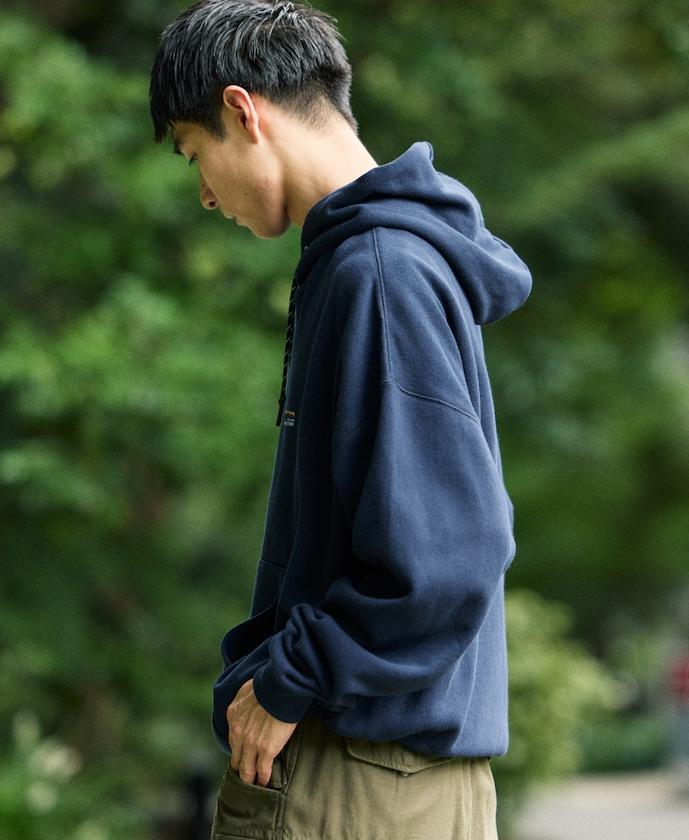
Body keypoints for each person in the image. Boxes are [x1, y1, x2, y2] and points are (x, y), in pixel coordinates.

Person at [149, 2, 533, 838]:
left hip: (357, 779)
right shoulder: (380, 261)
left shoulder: (380, 272)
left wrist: (290, 677)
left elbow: (450, 553)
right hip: (388, 777)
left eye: (194, 154)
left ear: (242, 111)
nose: (204, 194)